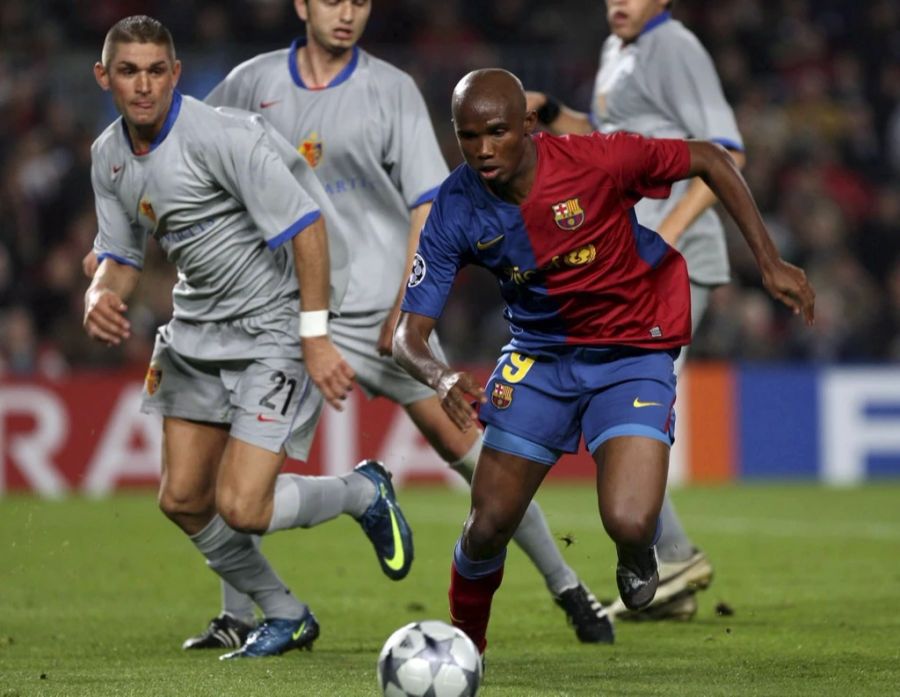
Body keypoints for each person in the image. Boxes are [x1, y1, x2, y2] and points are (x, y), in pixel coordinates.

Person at [193, 0, 615, 648]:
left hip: (376, 305)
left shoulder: (390, 90)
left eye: (360, 2)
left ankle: (567, 585)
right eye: (333, 0)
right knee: (245, 450)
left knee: (479, 456)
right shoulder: (250, 83)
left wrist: (406, 304)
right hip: (298, 310)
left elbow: (427, 200)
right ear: (302, 4)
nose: (348, 14)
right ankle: (240, 612)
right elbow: (202, 153)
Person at [393, 68, 814, 655]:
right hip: (539, 358)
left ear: (529, 125)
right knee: (487, 525)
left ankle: (637, 552)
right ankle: (465, 647)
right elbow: (406, 336)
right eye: (468, 136)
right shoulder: (454, 208)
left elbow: (713, 159)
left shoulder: (599, 160)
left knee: (630, 519)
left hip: (632, 349)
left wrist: (767, 261)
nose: (483, 150)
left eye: (496, 132)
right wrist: (439, 376)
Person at [83, 14, 414, 659]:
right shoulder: (109, 157)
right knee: (182, 499)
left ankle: (361, 491)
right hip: (198, 329)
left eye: (156, 70)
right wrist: (99, 296)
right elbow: (119, 255)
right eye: (128, 72)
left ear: (175, 74)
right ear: (105, 78)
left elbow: (308, 228)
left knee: (242, 505)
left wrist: (314, 337)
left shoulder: (222, 137)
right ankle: (286, 613)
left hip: (273, 327)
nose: (143, 85)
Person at [525, 0, 745, 620]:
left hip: (663, 265)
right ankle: (667, 573)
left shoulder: (676, 47)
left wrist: (667, 234)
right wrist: (550, 116)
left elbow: (727, 150)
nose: (618, 1)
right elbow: (605, 140)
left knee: (619, 406)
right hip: (626, 266)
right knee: (612, 408)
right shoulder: (617, 50)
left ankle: (670, 555)